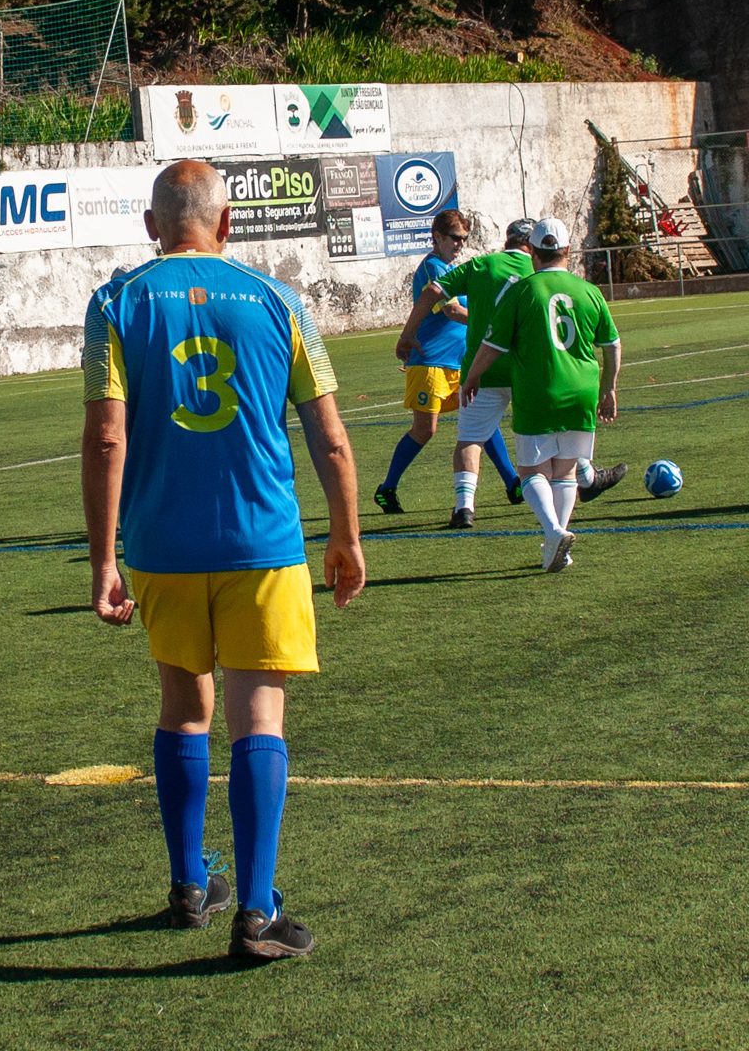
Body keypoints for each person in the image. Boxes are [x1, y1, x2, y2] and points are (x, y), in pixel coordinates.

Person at [81, 160, 365, 959]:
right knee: (258, 719)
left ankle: (188, 885)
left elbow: (108, 436)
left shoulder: (116, 302)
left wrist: (103, 560)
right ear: (228, 223)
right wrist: (345, 535)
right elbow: (331, 437)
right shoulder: (281, 302)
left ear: (151, 227)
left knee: (183, 708)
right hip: (261, 543)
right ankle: (259, 910)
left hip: (162, 547)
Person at [461, 216, 621, 572]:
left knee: (531, 470)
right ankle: (558, 544)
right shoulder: (589, 290)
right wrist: (608, 387)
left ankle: (552, 531)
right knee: (565, 473)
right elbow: (612, 344)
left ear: (533, 251)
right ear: (567, 251)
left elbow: (492, 345)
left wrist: (472, 377)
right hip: (582, 391)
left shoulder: (523, 291)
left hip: (538, 390)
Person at [374, 209, 518, 515]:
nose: (460, 244)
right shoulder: (433, 269)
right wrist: (494, 325)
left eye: (464, 239)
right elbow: (451, 311)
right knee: (425, 429)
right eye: (454, 238)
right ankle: (387, 488)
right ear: (436, 237)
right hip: (430, 362)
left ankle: (513, 483)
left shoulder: (453, 268)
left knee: (481, 421)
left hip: (459, 362)